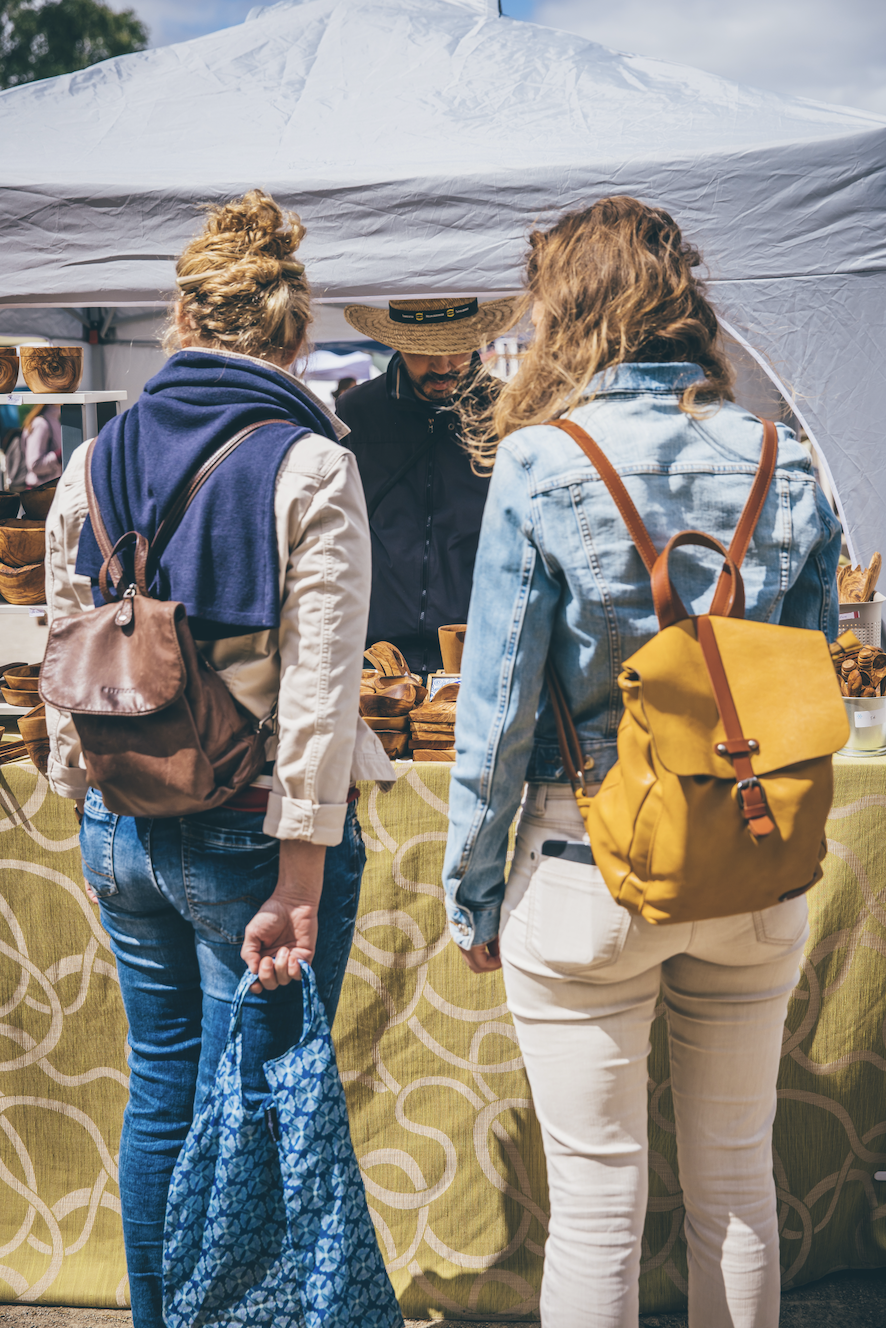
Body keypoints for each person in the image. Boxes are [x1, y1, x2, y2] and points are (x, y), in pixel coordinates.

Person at [442, 197, 841, 1328]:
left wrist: (472, 893)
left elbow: (496, 714)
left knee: (598, 1205)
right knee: (737, 1187)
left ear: (563, 312)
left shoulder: (537, 461)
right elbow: (803, 686)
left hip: (587, 867)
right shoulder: (781, 454)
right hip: (755, 855)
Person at [43, 190, 394, 1328]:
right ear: (294, 335)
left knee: (163, 1093)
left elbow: (66, 651)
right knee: (246, 1110)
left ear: (178, 318)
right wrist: (299, 876)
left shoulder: (92, 462)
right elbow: (320, 697)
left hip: (119, 824)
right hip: (249, 832)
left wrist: (80, 789)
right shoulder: (306, 465)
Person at [337, 294, 517, 676]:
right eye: (424, 352)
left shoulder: (509, 411)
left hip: (481, 644)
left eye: (456, 351)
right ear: (398, 344)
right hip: (376, 652)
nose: (442, 365)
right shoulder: (356, 411)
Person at [20, 402, 62, 486]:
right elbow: (34, 465)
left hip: (51, 488)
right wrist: (59, 455)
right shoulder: (40, 423)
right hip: (39, 492)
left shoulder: (55, 419)